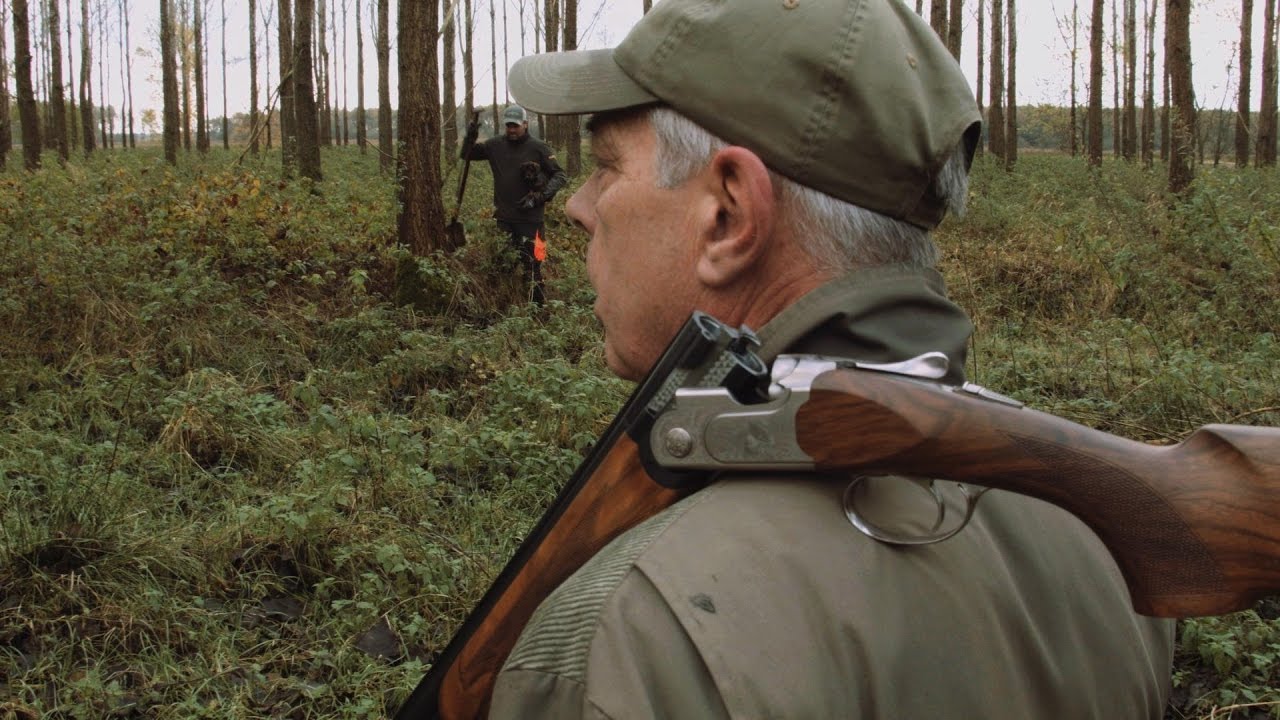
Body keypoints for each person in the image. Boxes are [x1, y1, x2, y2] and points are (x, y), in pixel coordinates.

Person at [485, 1, 1175, 718]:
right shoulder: (1110, 533)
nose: (580, 205)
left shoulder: (630, 636)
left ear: (728, 217)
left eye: (605, 166)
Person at [463, 104, 569, 305]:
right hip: (503, 220)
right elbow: (467, 155)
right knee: (502, 266)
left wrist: (541, 196)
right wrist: (471, 135)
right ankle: (505, 306)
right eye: (509, 125)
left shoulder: (538, 147)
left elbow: (560, 174)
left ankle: (538, 310)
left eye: (516, 125)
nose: (512, 129)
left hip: (532, 221)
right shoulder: (495, 145)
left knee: (534, 266)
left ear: (525, 124)